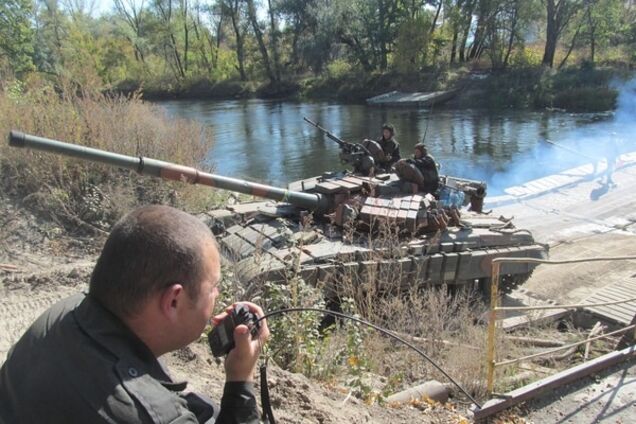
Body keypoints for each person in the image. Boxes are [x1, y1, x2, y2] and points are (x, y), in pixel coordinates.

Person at [0, 205, 269, 423]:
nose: (218, 294)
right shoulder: (158, 415)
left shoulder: (64, 312)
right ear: (173, 300)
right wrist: (240, 380)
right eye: (213, 286)